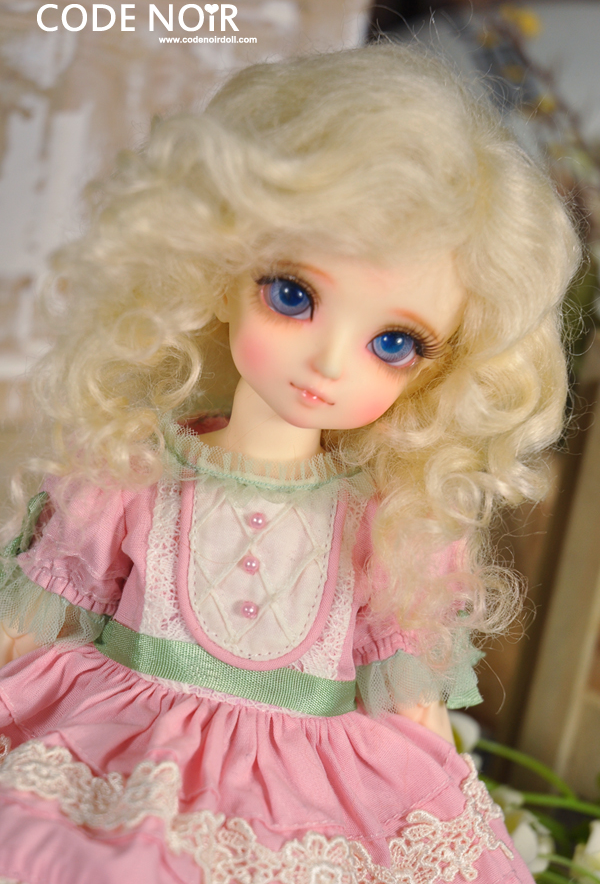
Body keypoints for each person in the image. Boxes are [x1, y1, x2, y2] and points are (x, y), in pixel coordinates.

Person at [0, 43, 580, 884]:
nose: (330, 363)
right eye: (292, 296)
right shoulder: (128, 470)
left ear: (443, 370)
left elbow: (413, 712)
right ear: (218, 267)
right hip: (119, 762)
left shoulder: (391, 524)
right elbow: (30, 636)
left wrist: (447, 821)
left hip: (307, 804)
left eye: (394, 342)